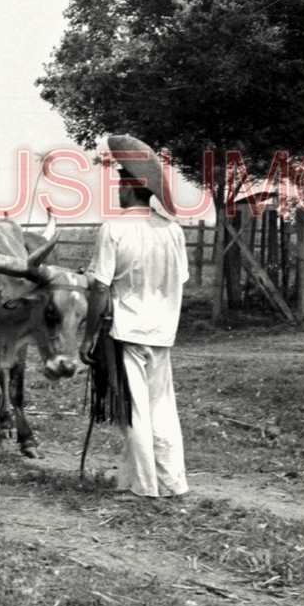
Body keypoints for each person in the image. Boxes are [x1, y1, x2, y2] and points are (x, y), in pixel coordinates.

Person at [79, 135, 190, 499]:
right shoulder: (172, 230)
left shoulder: (114, 229)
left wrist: (89, 336)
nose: (116, 192)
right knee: (161, 409)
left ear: (131, 187)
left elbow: (99, 288)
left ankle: (144, 487)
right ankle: (170, 482)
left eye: (119, 185)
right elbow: (181, 279)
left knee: (134, 412)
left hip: (127, 332)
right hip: (162, 331)